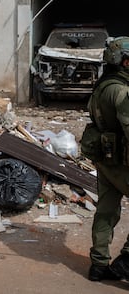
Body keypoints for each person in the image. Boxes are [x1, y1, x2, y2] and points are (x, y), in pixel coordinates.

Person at [81, 36, 129, 281]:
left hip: (105, 159)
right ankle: (126, 262)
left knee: (106, 211)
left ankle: (99, 265)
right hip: (122, 163)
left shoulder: (103, 85)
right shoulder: (122, 91)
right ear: (125, 63)